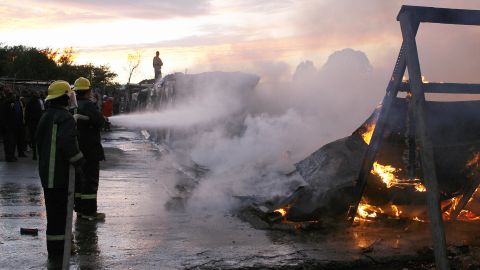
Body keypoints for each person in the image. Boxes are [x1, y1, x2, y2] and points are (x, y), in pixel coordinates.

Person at [36, 80, 85, 260]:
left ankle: (56, 249)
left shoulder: (47, 115)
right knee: (61, 216)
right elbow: (67, 144)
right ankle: (60, 252)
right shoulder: (65, 118)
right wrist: (80, 161)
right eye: (69, 95)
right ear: (64, 97)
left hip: (47, 174)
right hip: (59, 175)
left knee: (54, 216)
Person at [73, 77, 106, 221]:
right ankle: (90, 212)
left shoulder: (73, 106)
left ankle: (80, 210)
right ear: (88, 91)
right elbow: (100, 122)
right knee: (90, 182)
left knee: (79, 183)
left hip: (77, 149)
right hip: (90, 150)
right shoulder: (88, 105)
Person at [25, 91, 45, 160]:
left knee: (33, 138)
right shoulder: (38, 103)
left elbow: (26, 114)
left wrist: (26, 123)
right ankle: (37, 153)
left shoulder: (29, 103)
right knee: (38, 138)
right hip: (37, 123)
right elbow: (41, 113)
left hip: (31, 123)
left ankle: (34, 154)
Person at [1, 88, 18, 162]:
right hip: (8, 126)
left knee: (12, 142)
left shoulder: (10, 103)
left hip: (11, 125)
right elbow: (4, 115)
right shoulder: (6, 103)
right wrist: (5, 126)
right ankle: (9, 156)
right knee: (9, 142)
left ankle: (11, 155)